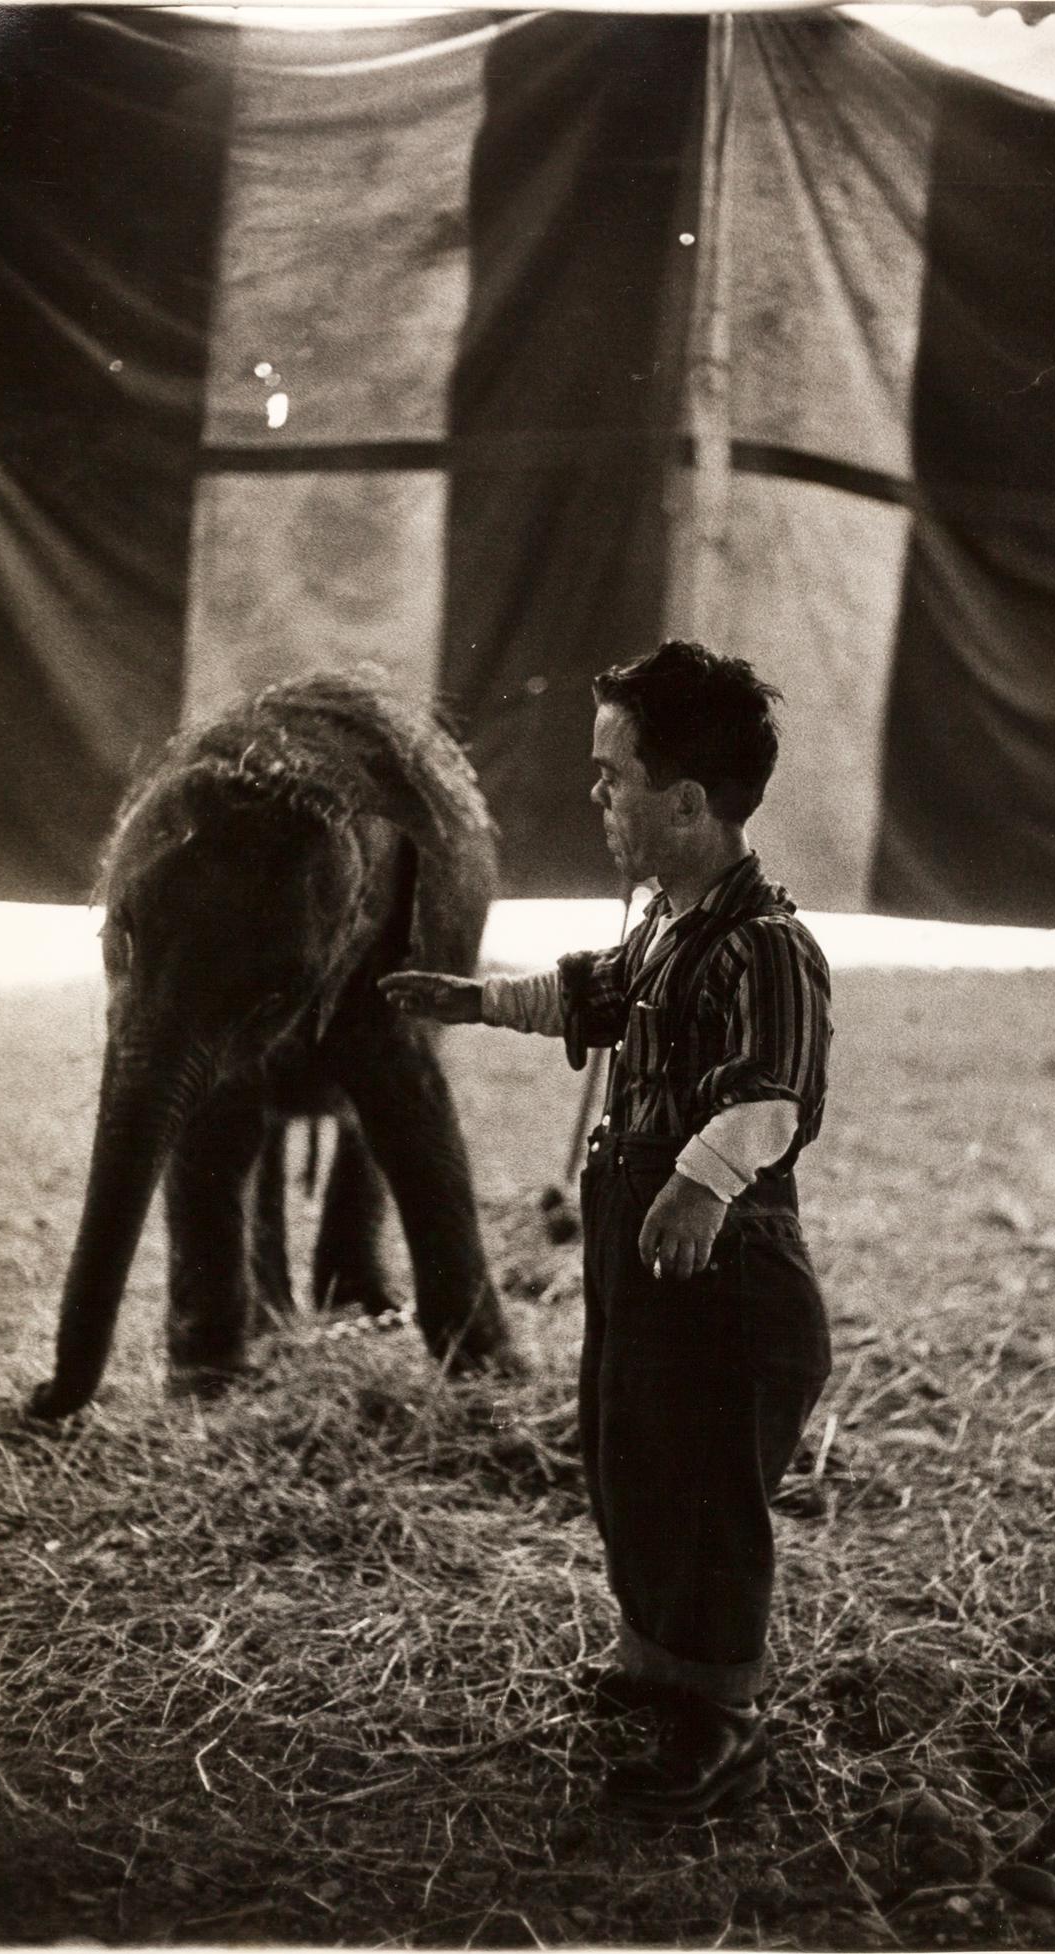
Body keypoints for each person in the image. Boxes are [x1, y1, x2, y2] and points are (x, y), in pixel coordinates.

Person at [379, 640, 832, 1818]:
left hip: (726, 1271)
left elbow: (771, 1093)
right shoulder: (666, 928)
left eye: (611, 777)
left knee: (703, 1476)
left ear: (685, 802)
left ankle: (719, 1721)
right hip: (647, 1263)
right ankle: (657, 1660)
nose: (596, 798)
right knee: (628, 1445)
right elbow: (591, 990)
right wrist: (475, 1000)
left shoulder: (768, 947)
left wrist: (697, 1183)